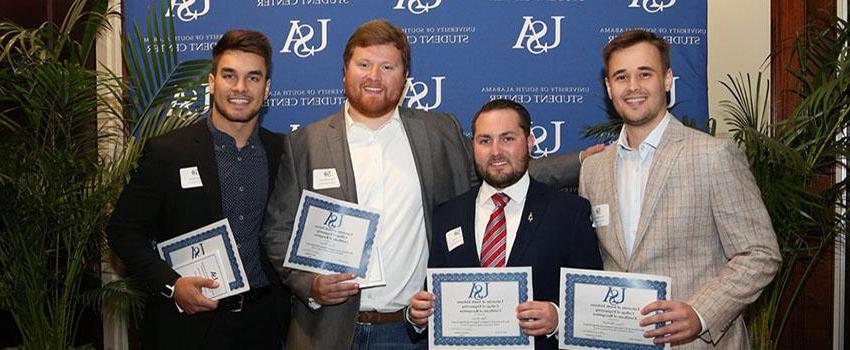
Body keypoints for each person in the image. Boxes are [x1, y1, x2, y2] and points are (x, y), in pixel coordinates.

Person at [260, 19, 599, 350]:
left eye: (388, 67)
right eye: (364, 64)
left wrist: (583, 161)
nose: (374, 77)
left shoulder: (439, 133)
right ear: (345, 72)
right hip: (326, 332)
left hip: (412, 332)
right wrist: (310, 285)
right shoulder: (305, 142)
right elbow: (278, 231)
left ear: (405, 79)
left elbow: (499, 172)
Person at [578, 29, 781, 349]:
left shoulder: (713, 156)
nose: (632, 87)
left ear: (668, 79)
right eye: (621, 77)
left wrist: (701, 313)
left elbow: (759, 254)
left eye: (645, 74)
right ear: (608, 87)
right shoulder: (593, 169)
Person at [107, 30, 289, 349]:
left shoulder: (283, 152)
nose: (240, 88)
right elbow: (122, 231)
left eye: (253, 78)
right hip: (186, 328)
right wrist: (172, 285)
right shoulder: (168, 152)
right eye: (229, 75)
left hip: (263, 326)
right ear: (211, 82)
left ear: (267, 88)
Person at [406, 99, 603, 349]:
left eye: (507, 138)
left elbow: (592, 305)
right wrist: (417, 316)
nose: (496, 151)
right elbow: (432, 299)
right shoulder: (448, 215)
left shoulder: (569, 212)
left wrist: (557, 317)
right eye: (485, 140)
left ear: (529, 142)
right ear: (473, 147)